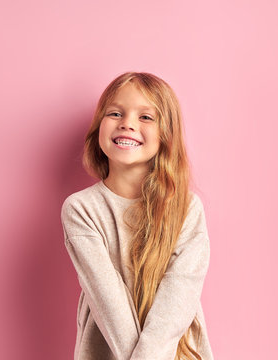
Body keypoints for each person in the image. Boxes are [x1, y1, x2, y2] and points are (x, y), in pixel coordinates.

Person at [60, 71, 213, 360]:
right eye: (115, 113)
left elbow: (180, 294)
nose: (127, 124)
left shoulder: (187, 208)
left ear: (166, 135)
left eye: (145, 117)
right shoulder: (81, 209)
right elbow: (108, 302)